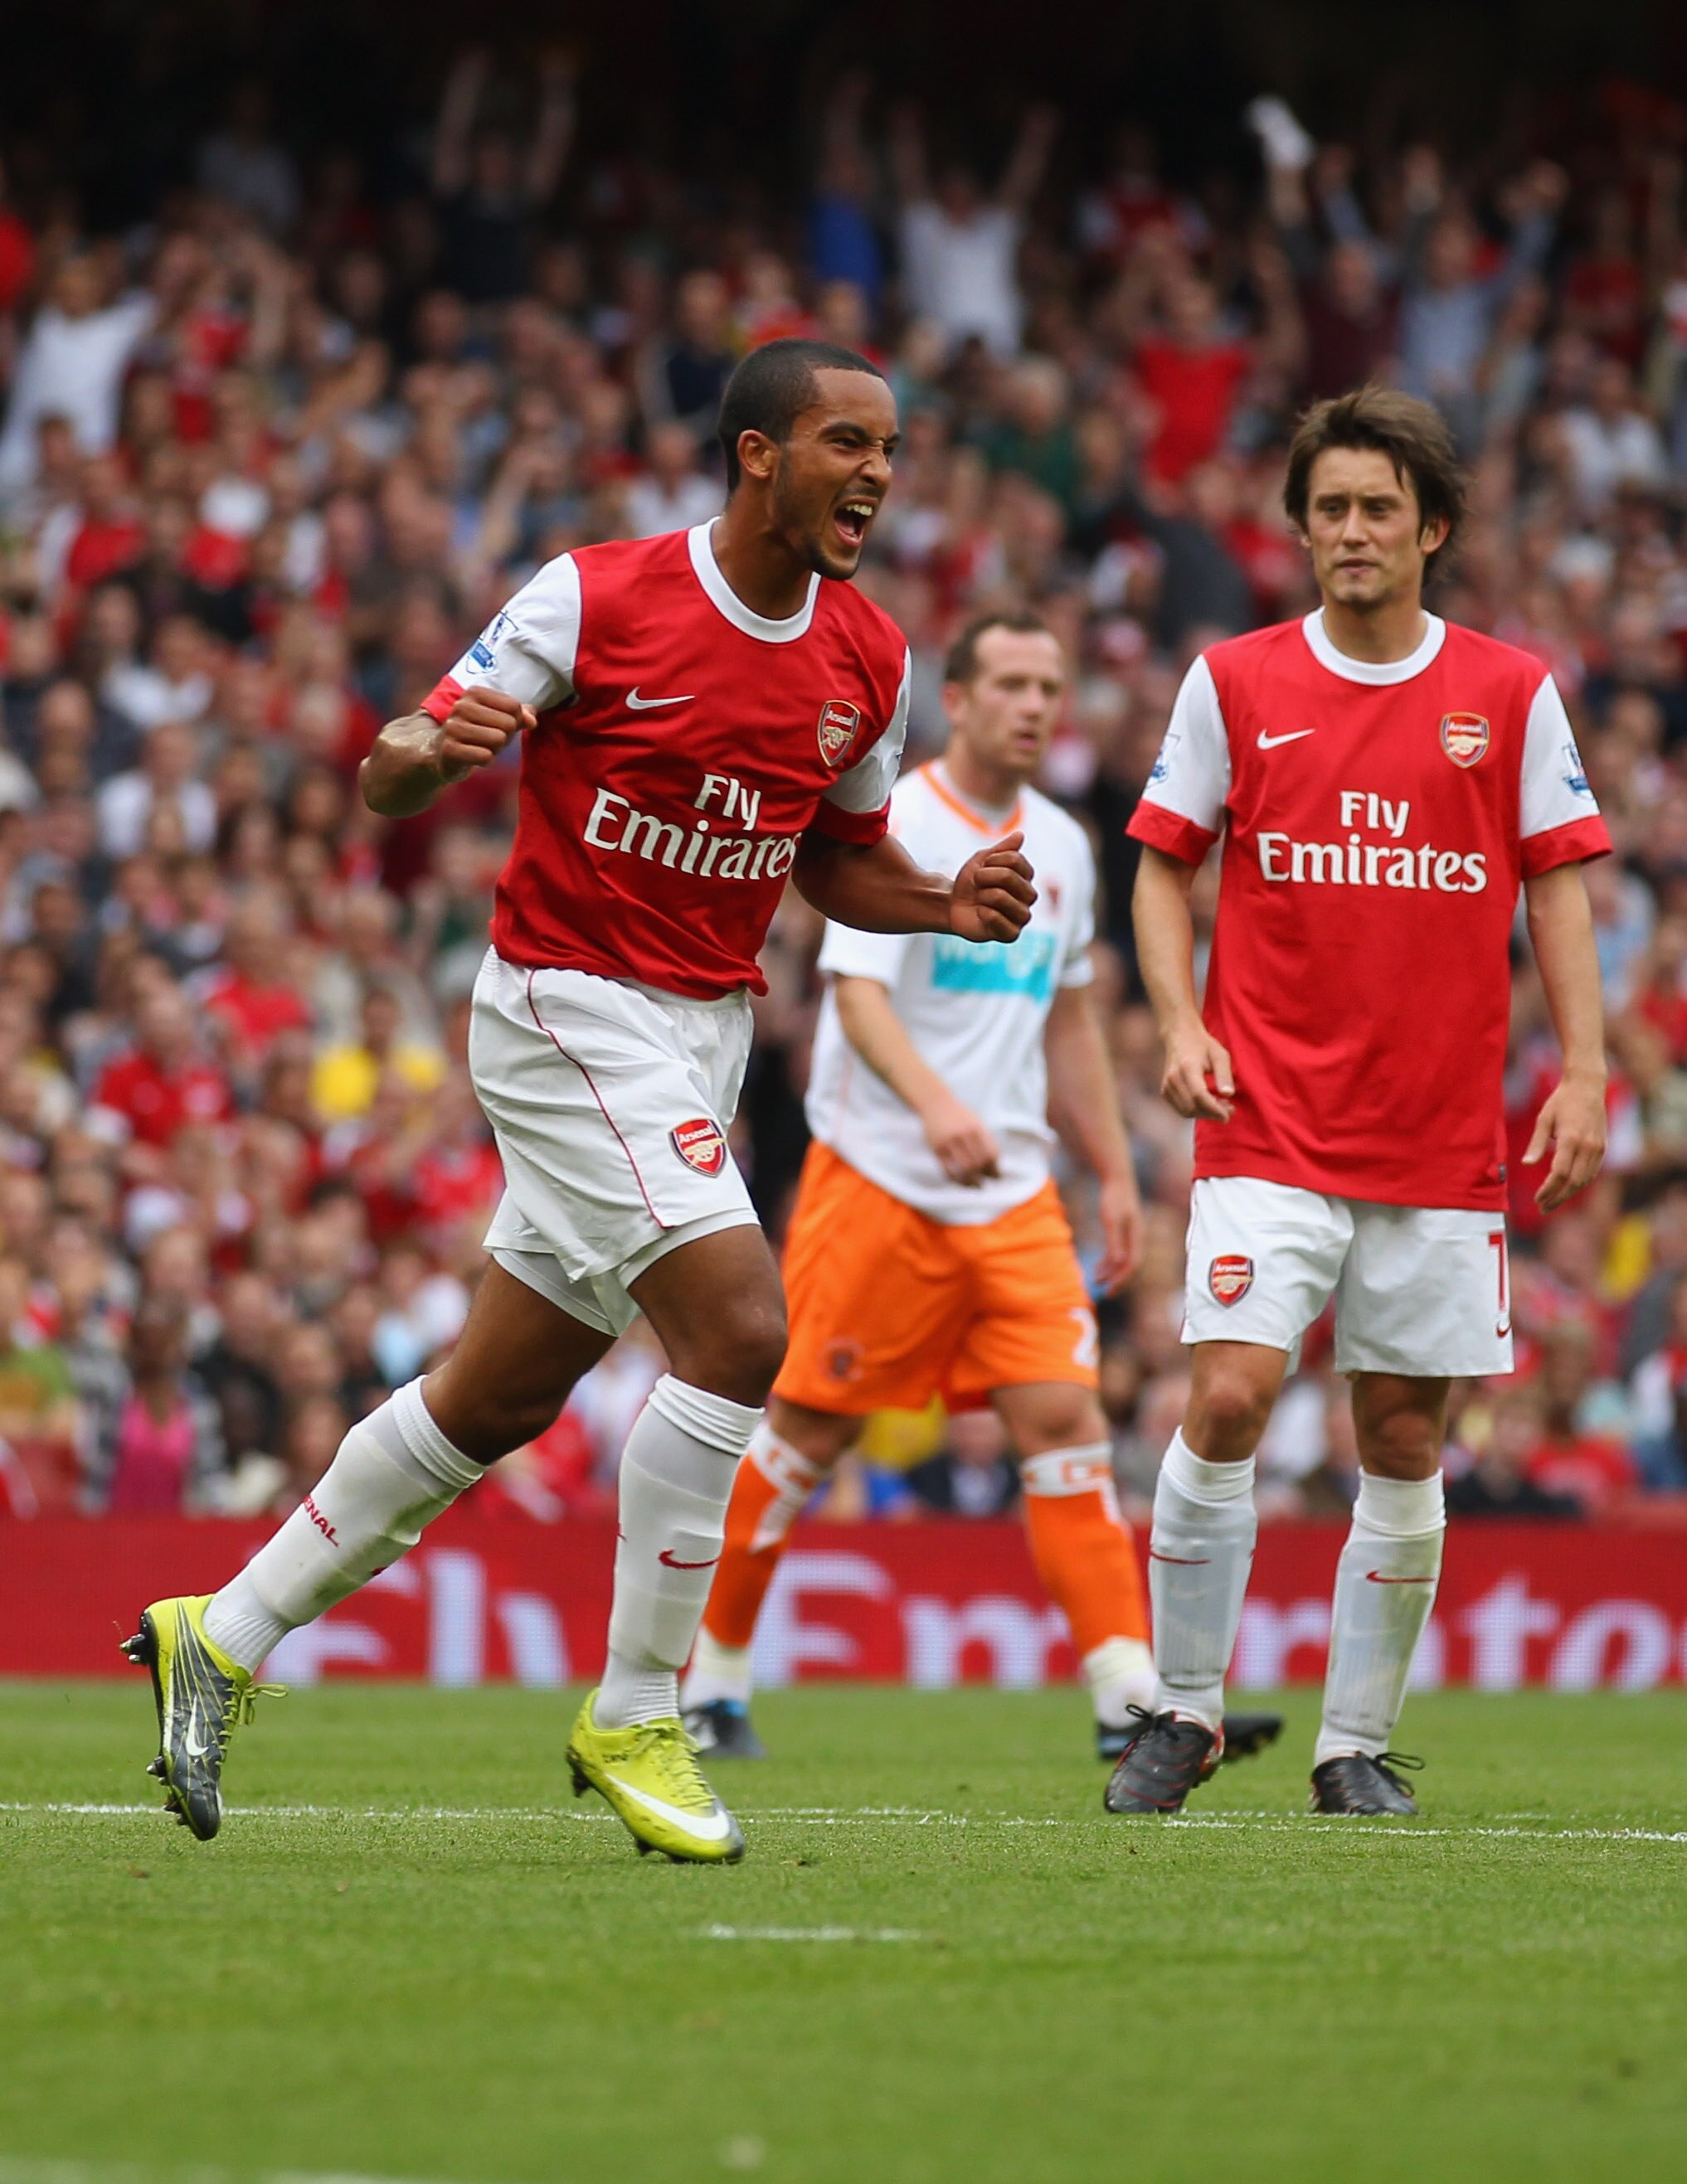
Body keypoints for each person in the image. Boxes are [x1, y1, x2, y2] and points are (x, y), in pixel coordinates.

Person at [124, 338, 1036, 1863]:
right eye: (843, 442)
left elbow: (830, 854)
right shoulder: (595, 594)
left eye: (888, 448)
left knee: (495, 1398)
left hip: (700, 1037)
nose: (877, 472)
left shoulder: (870, 657)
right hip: (563, 1005)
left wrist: (944, 901)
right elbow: (398, 769)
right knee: (742, 1332)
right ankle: (634, 1705)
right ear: (757, 455)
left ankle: (217, 1631)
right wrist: (416, 749)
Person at [1107, 385, 1609, 1820]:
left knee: (1400, 1438)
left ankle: (1352, 1746)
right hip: (1265, 1118)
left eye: (1376, 507)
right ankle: (1185, 1713)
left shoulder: (1507, 693)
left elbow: (1557, 881)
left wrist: (1579, 1068)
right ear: (1301, 528)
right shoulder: (1235, 681)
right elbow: (1160, 863)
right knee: (1224, 1394)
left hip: (1440, 1140)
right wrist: (1181, 1020)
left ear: (1430, 528)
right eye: (1327, 507)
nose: (1348, 530)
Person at [680, 609, 1281, 1771]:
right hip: (881, 1181)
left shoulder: (1059, 843)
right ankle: (707, 1679)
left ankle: (1126, 1696)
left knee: (1066, 1431)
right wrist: (933, 1105)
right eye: (1007, 681)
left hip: (1010, 1197)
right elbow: (854, 994)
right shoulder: (898, 819)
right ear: (955, 698)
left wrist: (1107, 1165)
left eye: (1048, 684)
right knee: (805, 1428)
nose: (1031, 702)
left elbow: (1064, 1019)